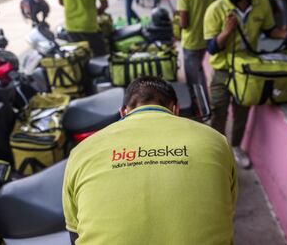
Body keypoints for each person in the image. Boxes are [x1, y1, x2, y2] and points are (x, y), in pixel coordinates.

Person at [63, 76, 238, 245]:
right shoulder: (216, 140)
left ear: (123, 112)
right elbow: (228, 208)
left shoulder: (82, 150)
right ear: (175, 109)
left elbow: (74, 231)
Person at [204, 0, 287, 168]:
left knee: (243, 111)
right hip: (223, 70)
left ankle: (235, 147)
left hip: (248, 70)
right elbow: (212, 47)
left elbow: (270, 30)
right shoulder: (215, 9)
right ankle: (216, 150)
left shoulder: (262, 3)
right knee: (218, 111)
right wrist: (226, 32)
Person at [168, 0, 220, 98]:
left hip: (191, 40)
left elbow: (184, 23)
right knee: (199, 70)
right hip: (208, 38)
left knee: (193, 79)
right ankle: (203, 103)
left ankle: (200, 107)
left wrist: (176, 28)